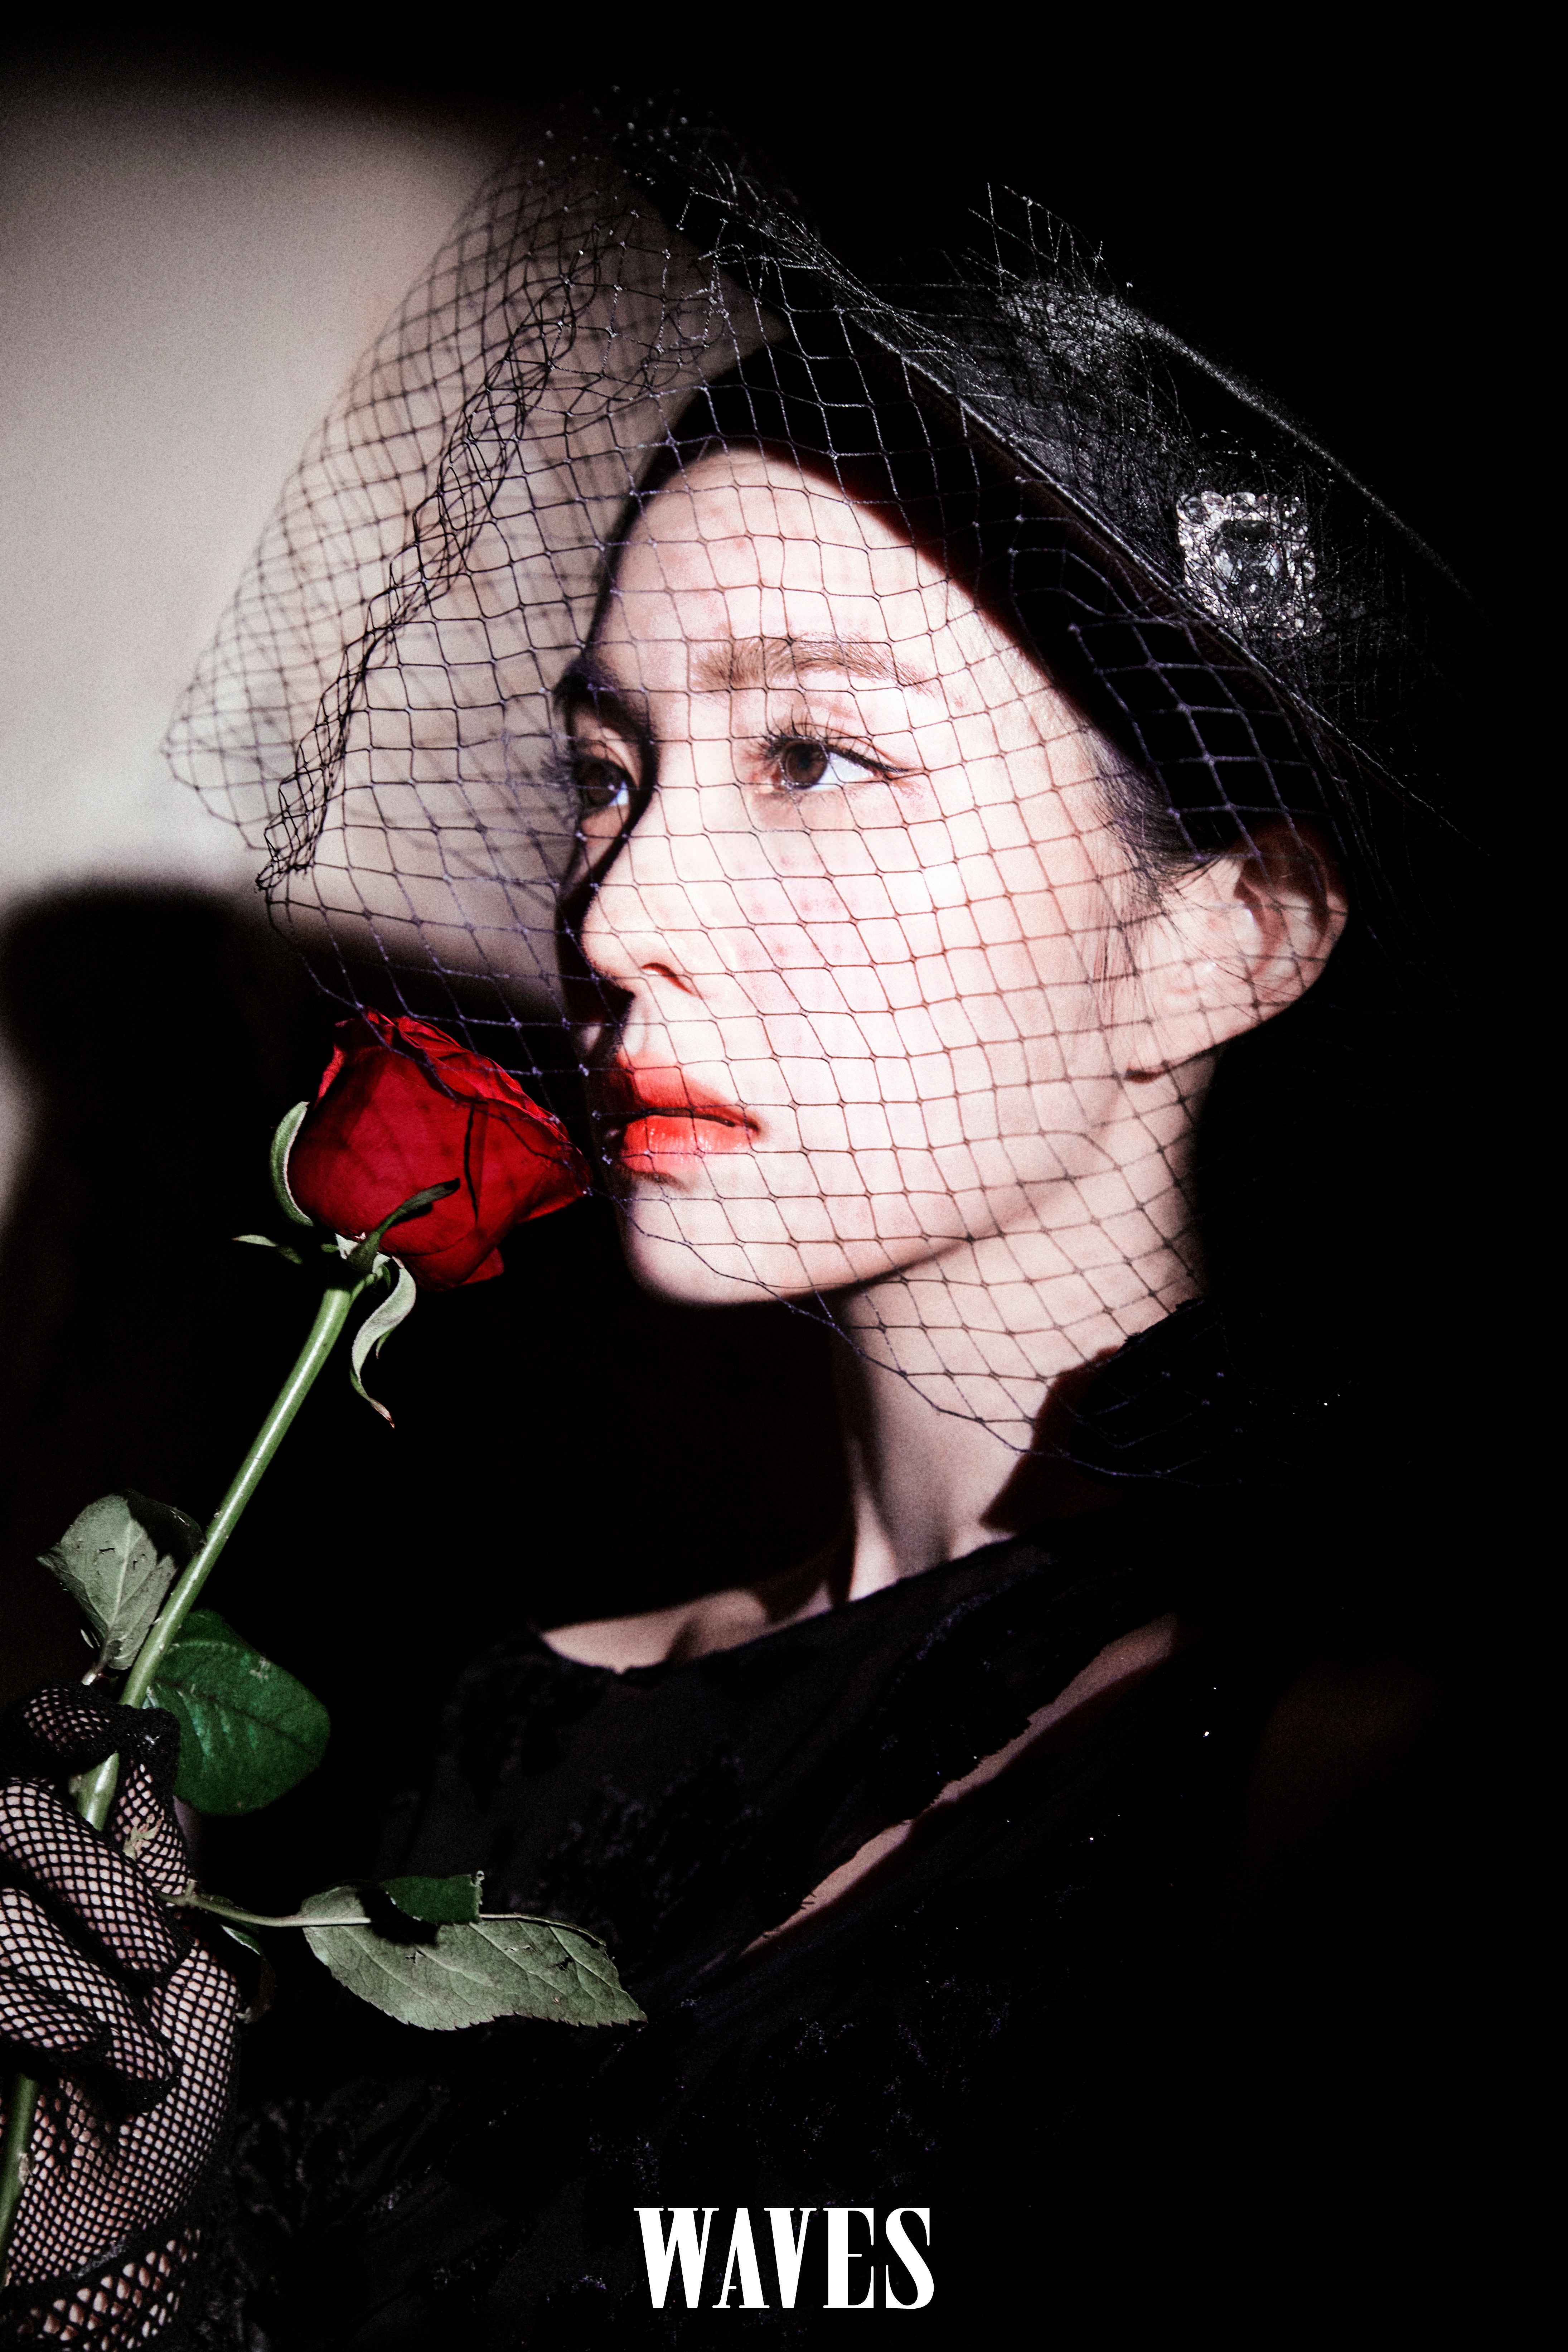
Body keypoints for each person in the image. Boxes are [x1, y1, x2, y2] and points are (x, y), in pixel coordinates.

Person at [0, 116, 1492, 2343]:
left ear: (1234, 934)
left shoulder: (1346, 1774)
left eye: (818, 758)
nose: (620, 915)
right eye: (614, 773)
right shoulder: (531, 1732)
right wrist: (119, 2259)